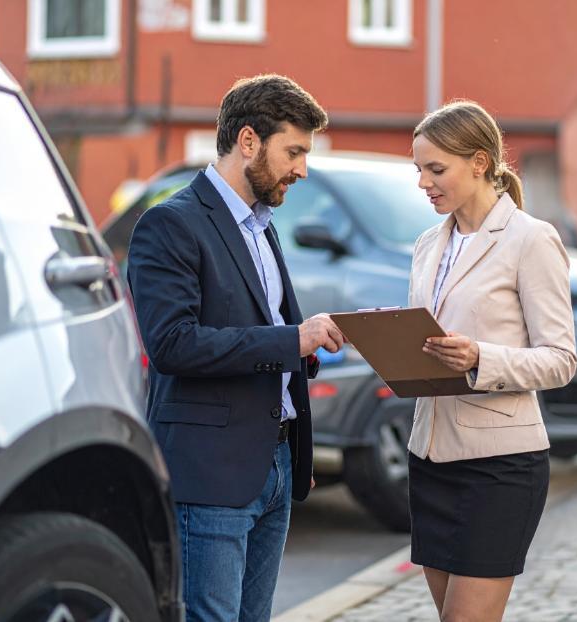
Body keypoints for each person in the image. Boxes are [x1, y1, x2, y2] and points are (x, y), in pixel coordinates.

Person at [127, 74, 344, 621]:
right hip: (212, 475)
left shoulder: (263, 226)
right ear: (248, 141)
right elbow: (173, 344)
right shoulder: (168, 224)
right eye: (293, 151)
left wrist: (303, 350)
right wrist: (291, 339)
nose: (302, 169)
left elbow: (255, 331)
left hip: (275, 465)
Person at [408, 100, 577, 621]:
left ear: (480, 162)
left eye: (436, 169)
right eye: (419, 170)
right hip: (429, 458)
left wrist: (481, 356)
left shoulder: (531, 239)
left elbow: (560, 359)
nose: (423, 183)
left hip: (500, 467)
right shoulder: (425, 244)